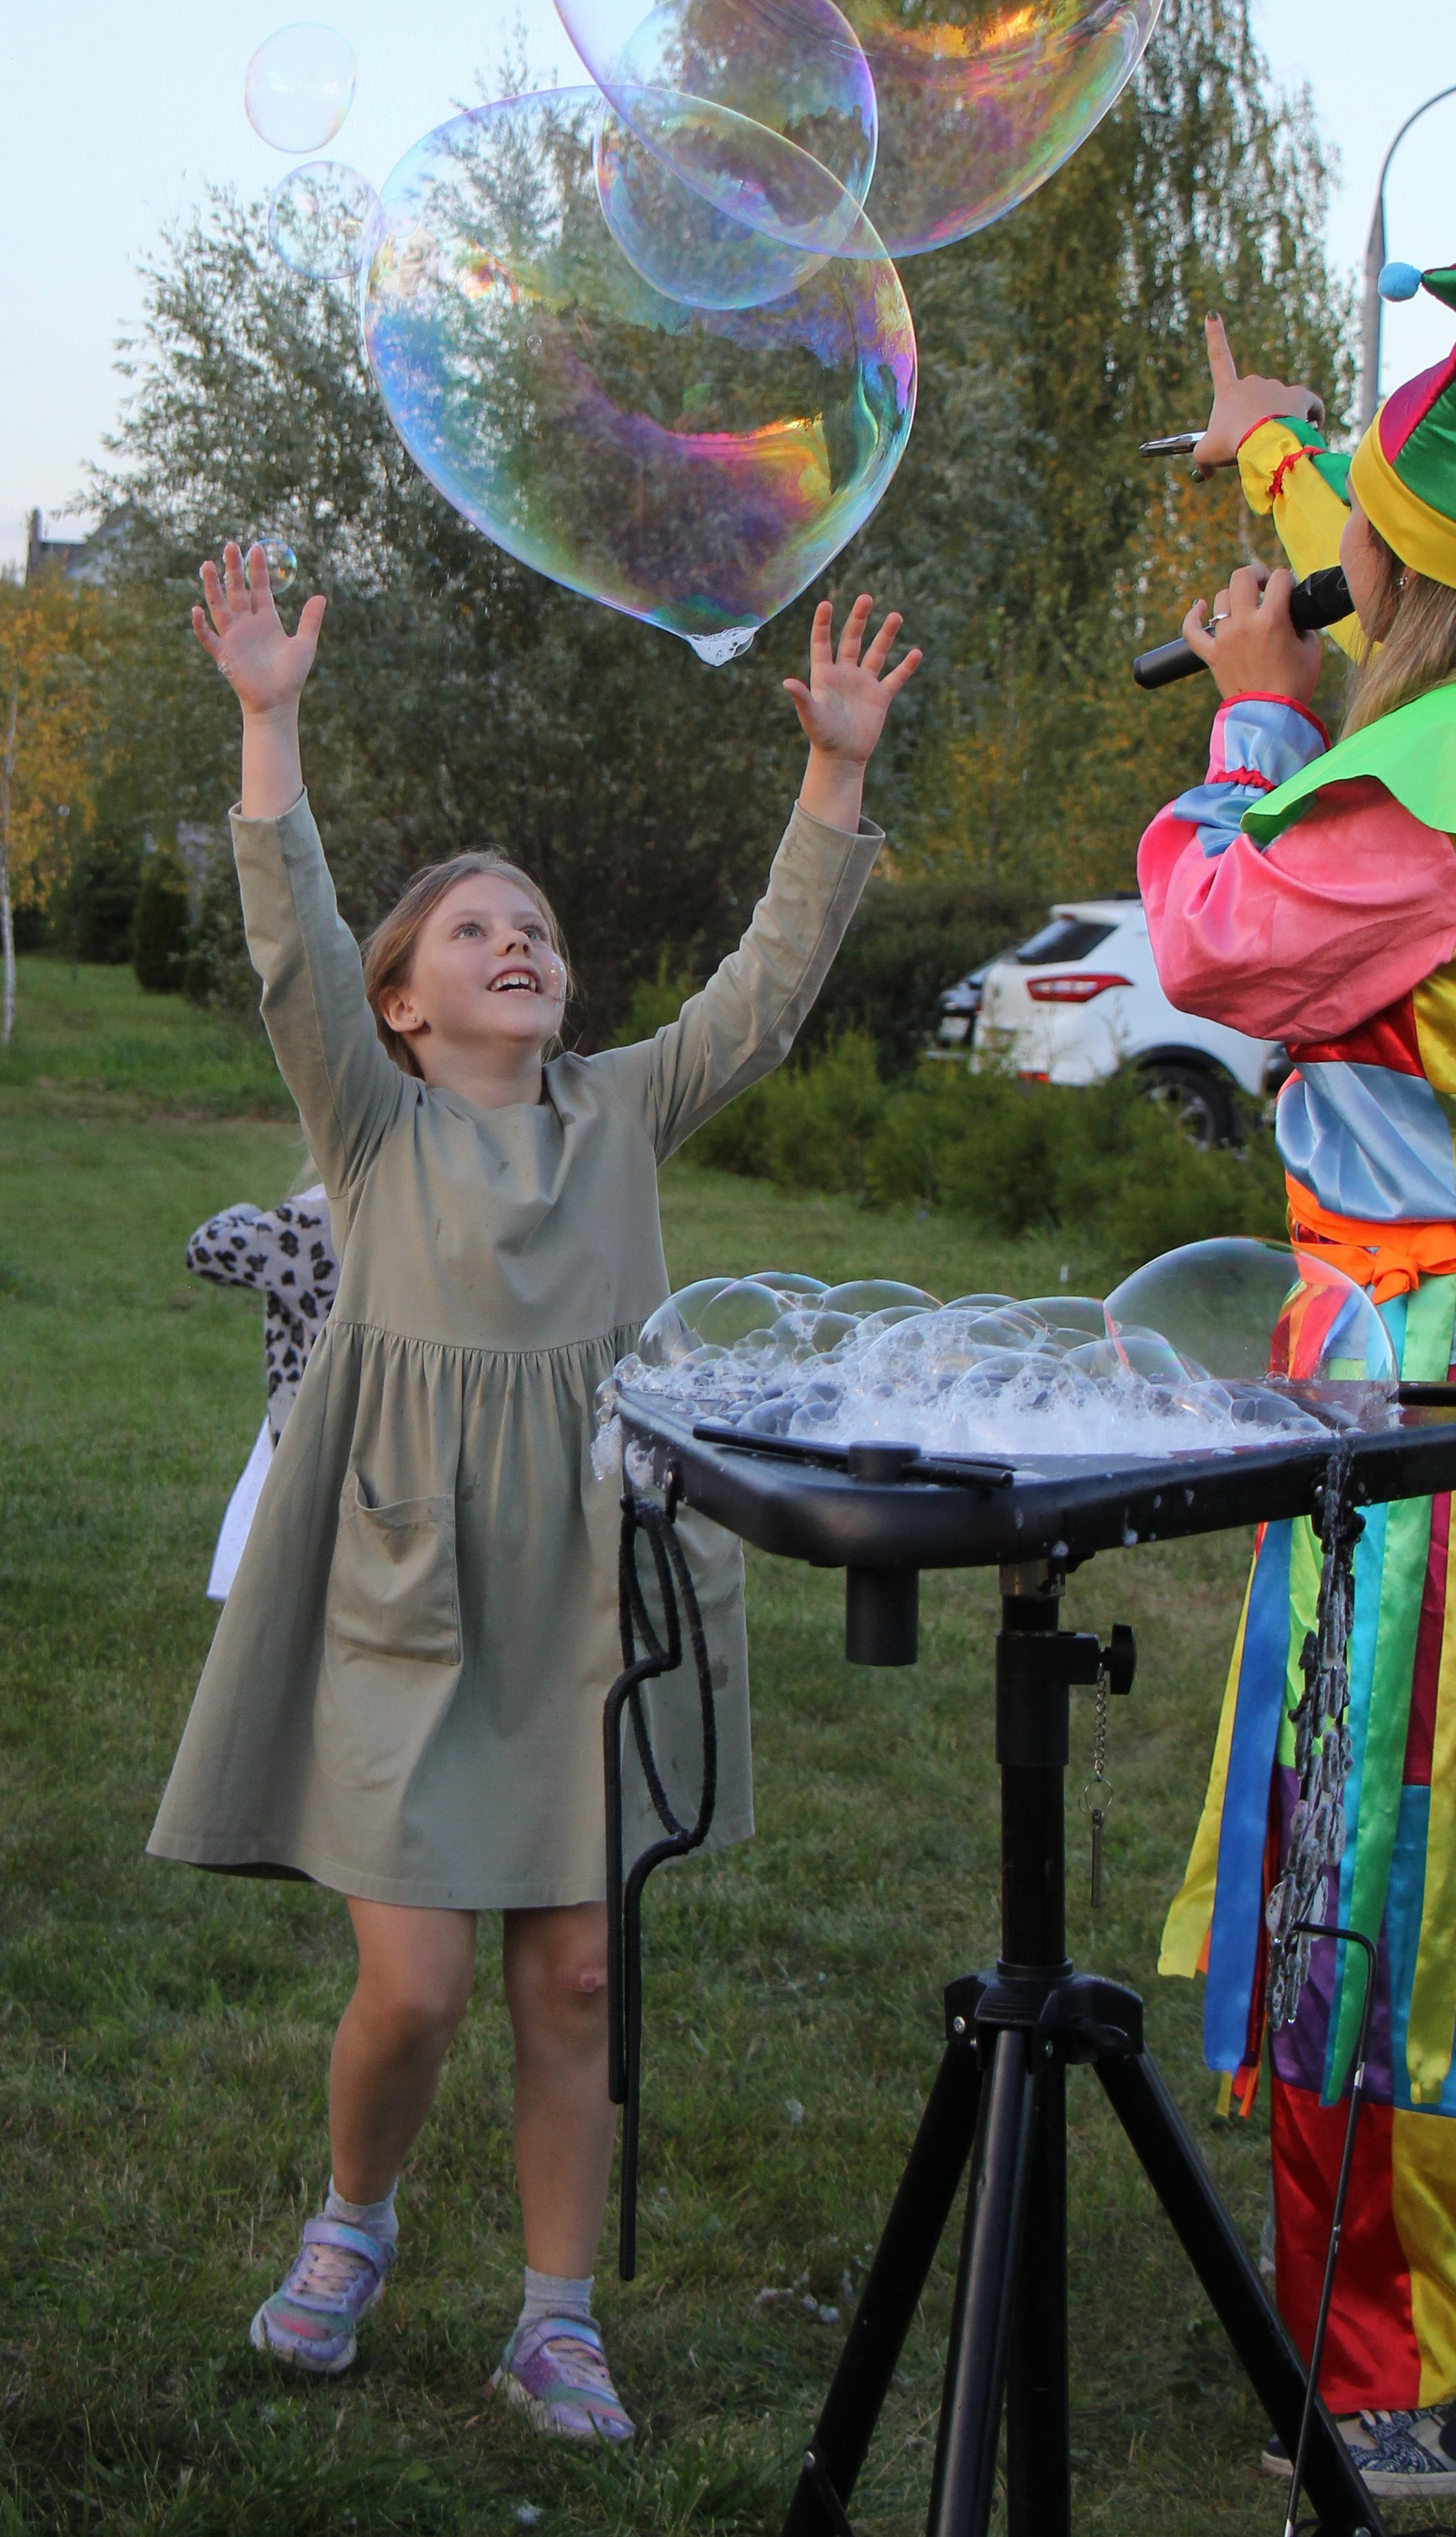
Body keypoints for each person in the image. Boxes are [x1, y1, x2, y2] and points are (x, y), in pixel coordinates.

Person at [148, 543, 917, 2440]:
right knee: (409, 1988)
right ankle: (352, 2218)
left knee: (571, 1971)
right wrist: (268, 724)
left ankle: (554, 2314)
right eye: (468, 929)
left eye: (534, 925)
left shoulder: (622, 1109)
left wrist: (826, 779)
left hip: (589, 1576)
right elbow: (291, 942)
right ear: (399, 1006)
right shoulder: (371, 1117)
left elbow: (763, 984)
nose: (514, 938)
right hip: (407, 1587)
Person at [1149, 295, 1456, 2495]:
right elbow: (1362, 502)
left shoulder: (1421, 811)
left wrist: (1253, 721)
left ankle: (1385, 2375)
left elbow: (1219, 935)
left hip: (1422, 1415)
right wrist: (1268, 437)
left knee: (1384, 1870)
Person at [186, 1176, 336, 1599]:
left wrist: (246, 1211)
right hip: (388, 1420)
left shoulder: (318, 1215)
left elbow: (207, 1248)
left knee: (278, 1570)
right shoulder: (416, 1209)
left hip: (306, 1422)